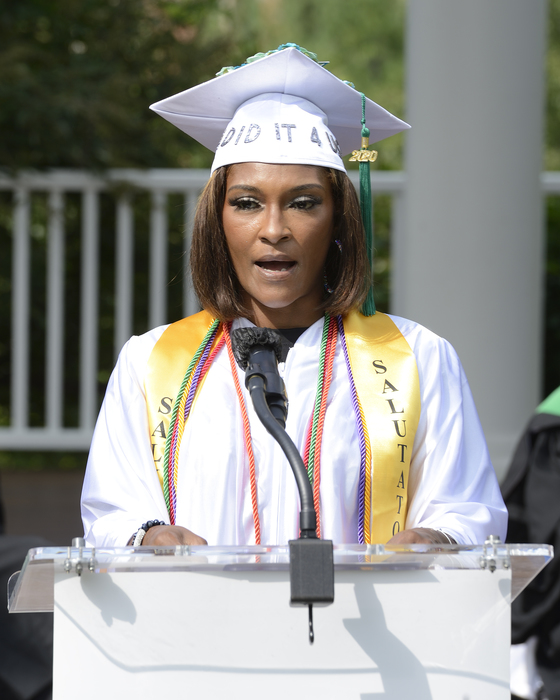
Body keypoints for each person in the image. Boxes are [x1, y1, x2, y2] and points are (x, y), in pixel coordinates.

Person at [81, 44, 507, 549]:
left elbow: (466, 509)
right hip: (199, 622)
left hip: (367, 623)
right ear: (217, 221)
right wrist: (148, 538)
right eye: (246, 203)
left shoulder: (417, 360)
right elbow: (111, 515)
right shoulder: (151, 365)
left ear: (338, 219)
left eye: (304, 203)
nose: (274, 229)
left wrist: (436, 539)